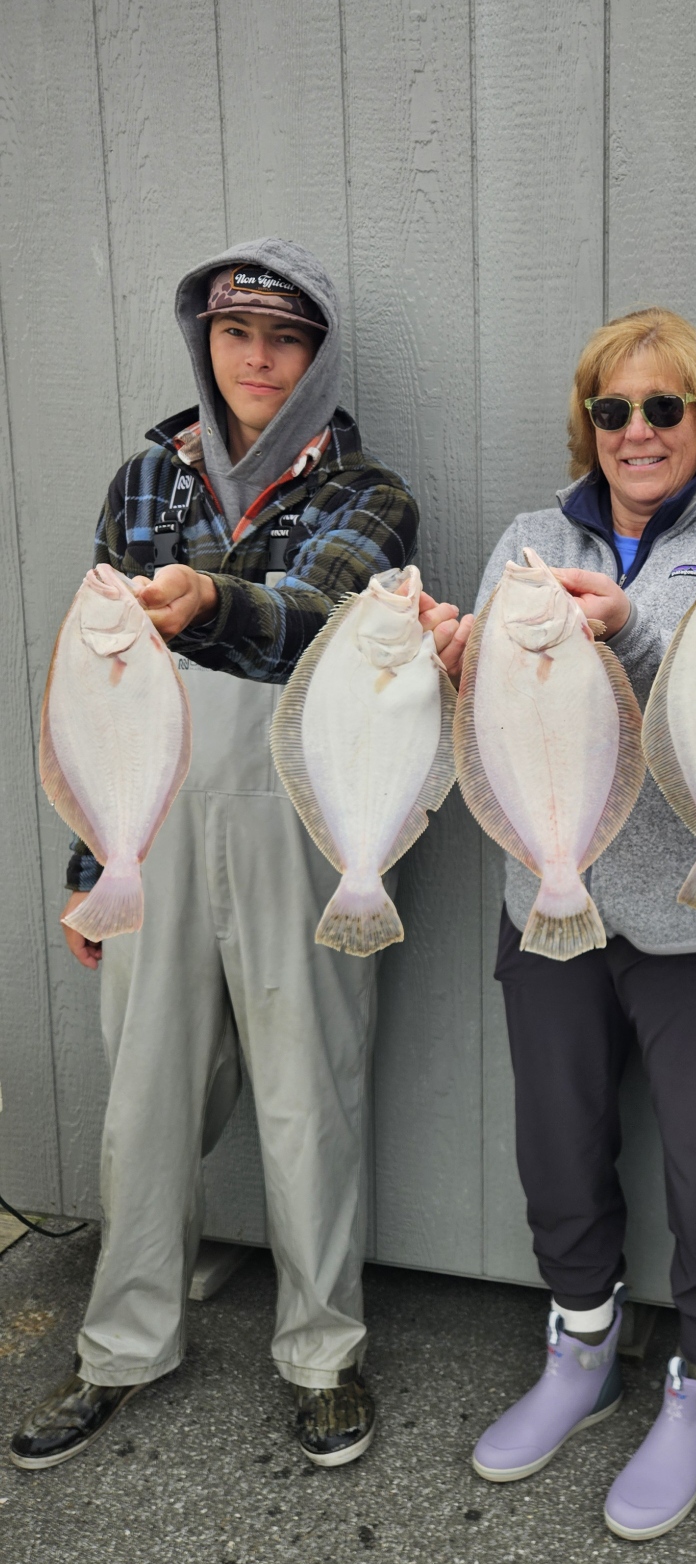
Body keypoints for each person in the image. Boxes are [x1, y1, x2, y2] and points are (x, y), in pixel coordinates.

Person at [8, 239, 462, 1472]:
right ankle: (120, 1345)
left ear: (317, 358)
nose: (258, 359)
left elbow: (319, 625)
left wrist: (209, 603)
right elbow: (98, 692)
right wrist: (91, 863)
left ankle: (323, 1353)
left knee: (311, 1095)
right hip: (149, 816)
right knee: (144, 1094)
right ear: (203, 343)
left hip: (303, 815)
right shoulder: (142, 482)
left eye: (286, 339)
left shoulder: (369, 495)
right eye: (235, 333)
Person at [458, 308, 696, 1540]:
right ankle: (581, 1347)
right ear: (589, 423)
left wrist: (633, 630)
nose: (638, 431)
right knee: (557, 1143)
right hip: (551, 903)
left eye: (664, 407)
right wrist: (451, 656)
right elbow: (487, 712)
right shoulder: (529, 540)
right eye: (613, 408)